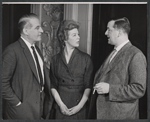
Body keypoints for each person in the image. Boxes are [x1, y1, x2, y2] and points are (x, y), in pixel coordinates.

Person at [90, 17, 147, 119]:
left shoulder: (136, 54)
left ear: (119, 32)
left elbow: (139, 89)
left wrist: (110, 89)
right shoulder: (114, 52)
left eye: (109, 30)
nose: (105, 33)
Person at [2, 13, 53, 119]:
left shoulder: (37, 50)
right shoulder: (12, 51)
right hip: (20, 112)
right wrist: (17, 104)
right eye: (37, 28)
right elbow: (2, 83)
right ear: (26, 31)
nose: (42, 31)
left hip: (38, 110)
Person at [50, 20, 93, 119]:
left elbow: (88, 85)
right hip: (61, 105)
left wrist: (79, 107)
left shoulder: (86, 59)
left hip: (79, 105)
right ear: (64, 37)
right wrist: (61, 104)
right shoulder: (55, 59)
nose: (78, 37)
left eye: (78, 34)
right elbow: (53, 85)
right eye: (74, 35)